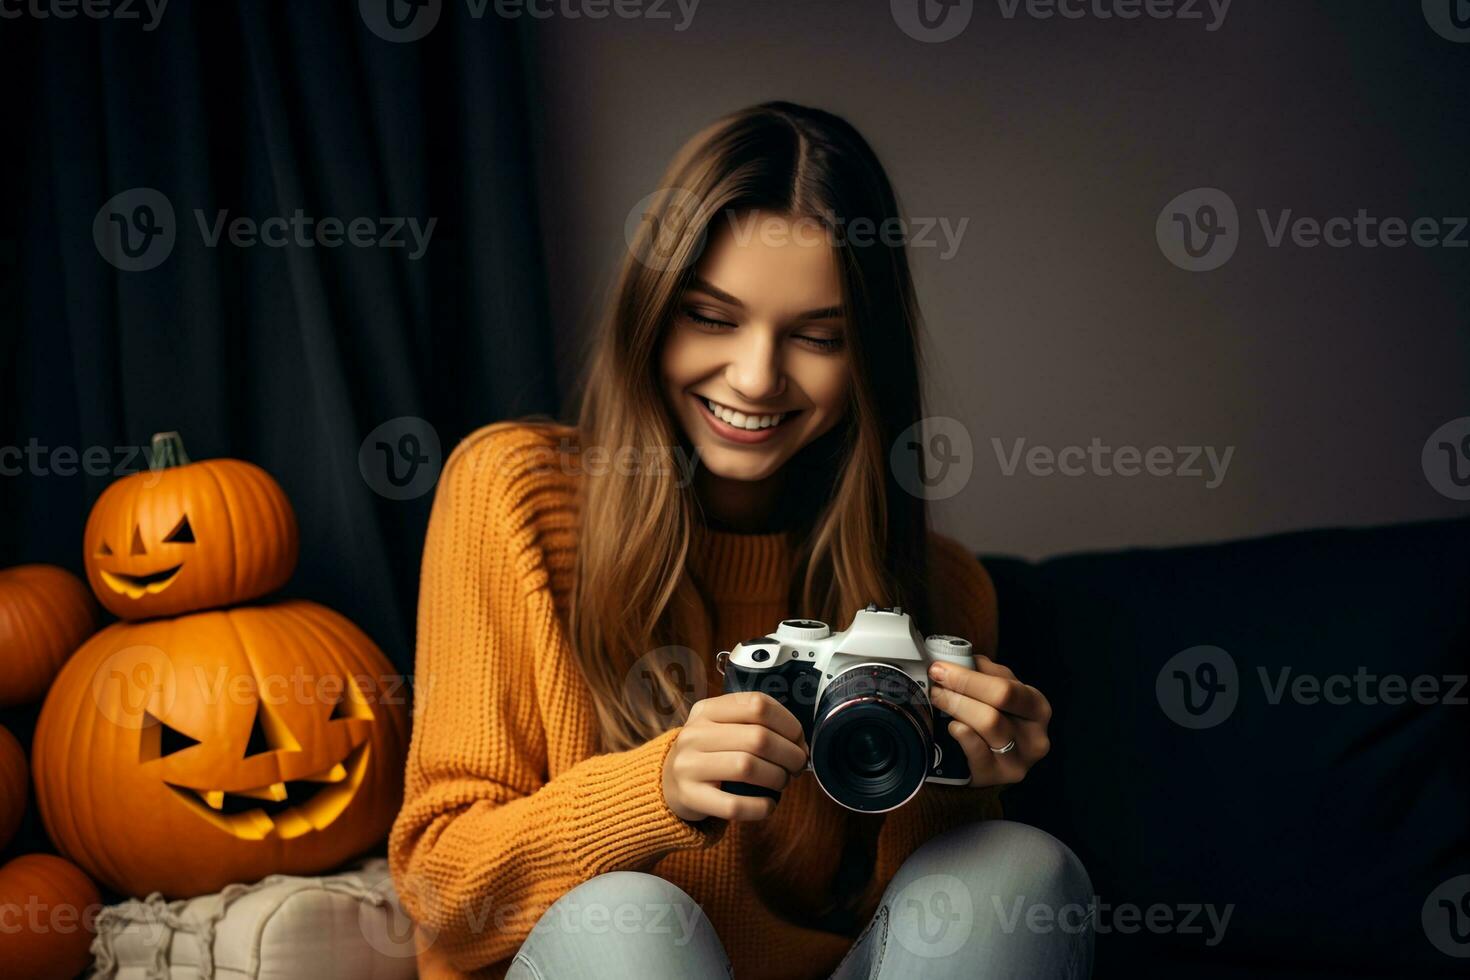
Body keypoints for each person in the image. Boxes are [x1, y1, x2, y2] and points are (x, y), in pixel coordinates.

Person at [388, 101, 1093, 980]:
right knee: (628, 920)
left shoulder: (940, 586)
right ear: (652, 316)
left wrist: (971, 775)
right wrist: (654, 793)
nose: (756, 378)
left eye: (818, 336)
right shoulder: (513, 494)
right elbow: (439, 887)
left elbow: (918, 931)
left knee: (1019, 870)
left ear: (865, 357)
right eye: (713, 318)